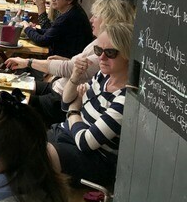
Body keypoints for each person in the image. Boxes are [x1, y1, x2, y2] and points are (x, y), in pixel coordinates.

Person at [5, 0, 135, 126]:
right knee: (14, 86)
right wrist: (66, 60)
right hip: (58, 87)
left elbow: (69, 68)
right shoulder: (98, 42)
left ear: (107, 20)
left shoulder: (105, 50)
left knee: (11, 103)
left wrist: (27, 62)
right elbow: (77, 65)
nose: (91, 19)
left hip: (59, 99)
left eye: (96, 16)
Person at [47, 22, 133, 186]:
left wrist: (74, 111)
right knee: (23, 141)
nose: (101, 57)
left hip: (96, 160)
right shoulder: (103, 76)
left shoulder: (124, 99)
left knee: (37, 156)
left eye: (110, 53)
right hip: (68, 136)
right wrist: (75, 77)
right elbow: (66, 102)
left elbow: (85, 142)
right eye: (98, 50)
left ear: (128, 54)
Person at [22, 0, 93, 59]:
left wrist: (27, 28)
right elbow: (52, 32)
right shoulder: (74, 11)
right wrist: (35, 30)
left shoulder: (68, 18)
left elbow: (43, 41)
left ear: (70, 0)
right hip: (68, 56)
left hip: (66, 60)